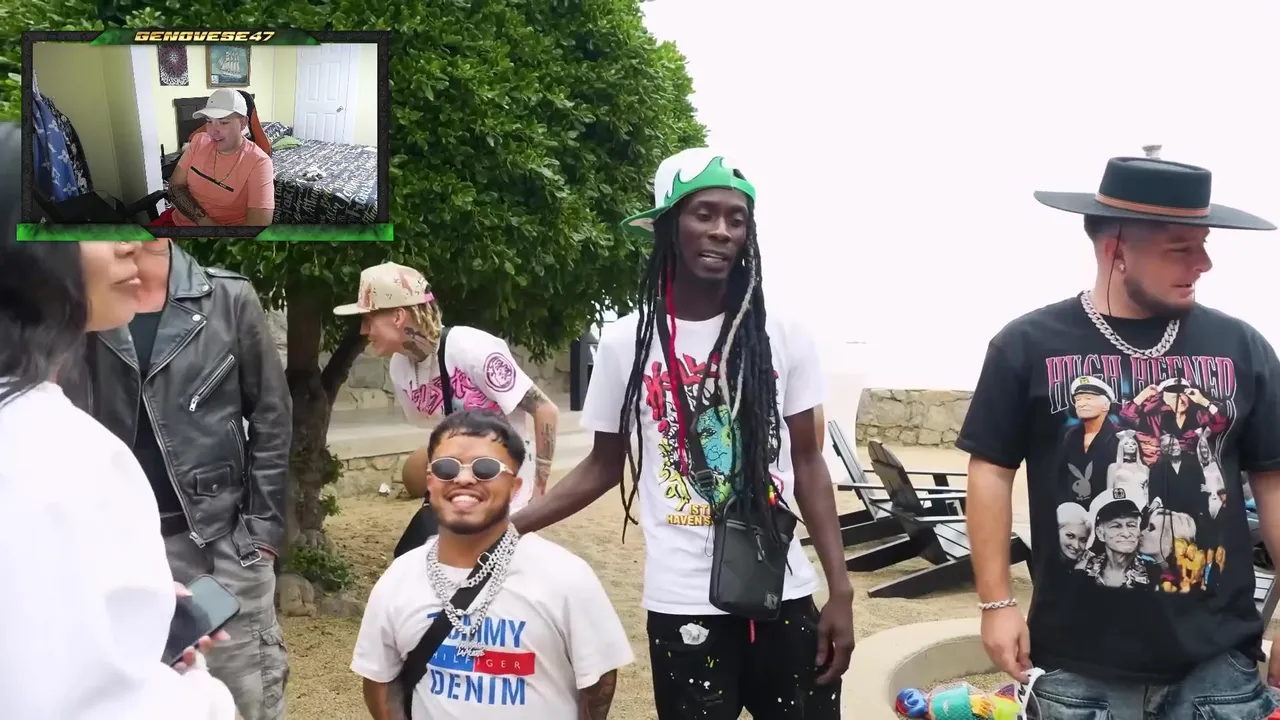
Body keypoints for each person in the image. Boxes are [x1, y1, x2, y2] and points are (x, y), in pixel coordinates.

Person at [510, 148, 855, 718]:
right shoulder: (626, 343)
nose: (722, 230)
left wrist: (839, 590)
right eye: (704, 214)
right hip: (683, 602)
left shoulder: (784, 333)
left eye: (736, 219)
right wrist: (510, 527)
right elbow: (603, 465)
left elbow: (808, 462)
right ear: (668, 225)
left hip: (784, 590)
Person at [959, 153, 1280, 717]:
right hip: (1076, 665)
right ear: (1117, 249)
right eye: (1181, 248)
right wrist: (996, 601)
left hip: (1217, 665)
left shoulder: (1242, 348)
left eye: (1204, 244)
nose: (1204, 263)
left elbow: (1273, 480)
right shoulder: (1027, 344)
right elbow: (990, 470)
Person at [0, 122, 238, 718]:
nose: (131, 241)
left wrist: (129, 615)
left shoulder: (228, 298)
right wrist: (197, 689)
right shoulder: (57, 451)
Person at [82, 239, 292, 720]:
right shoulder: (85, 305)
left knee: (245, 701)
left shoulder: (228, 298)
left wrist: (261, 535)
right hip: (114, 552)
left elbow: (272, 416)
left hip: (221, 545)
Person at [351, 409, 633, 719]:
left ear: (515, 487)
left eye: (485, 468)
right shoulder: (399, 578)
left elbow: (599, 683)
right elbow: (380, 680)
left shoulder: (566, 577)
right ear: (430, 483)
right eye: (446, 468)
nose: (463, 478)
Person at [334, 262, 560, 513]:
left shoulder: (470, 349)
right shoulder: (400, 368)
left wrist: (539, 493)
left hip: (509, 500)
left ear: (398, 317)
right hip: (461, 499)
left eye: (368, 319)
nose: (364, 330)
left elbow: (545, 410)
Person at [158, 88, 275, 227]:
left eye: (223, 122)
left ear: (243, 123)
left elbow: (258, 225)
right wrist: (206, 224)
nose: (213, 131)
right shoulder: (198, 141)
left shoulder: (259, 162)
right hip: (176, 222)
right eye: (209, 121)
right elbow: (174, 187)